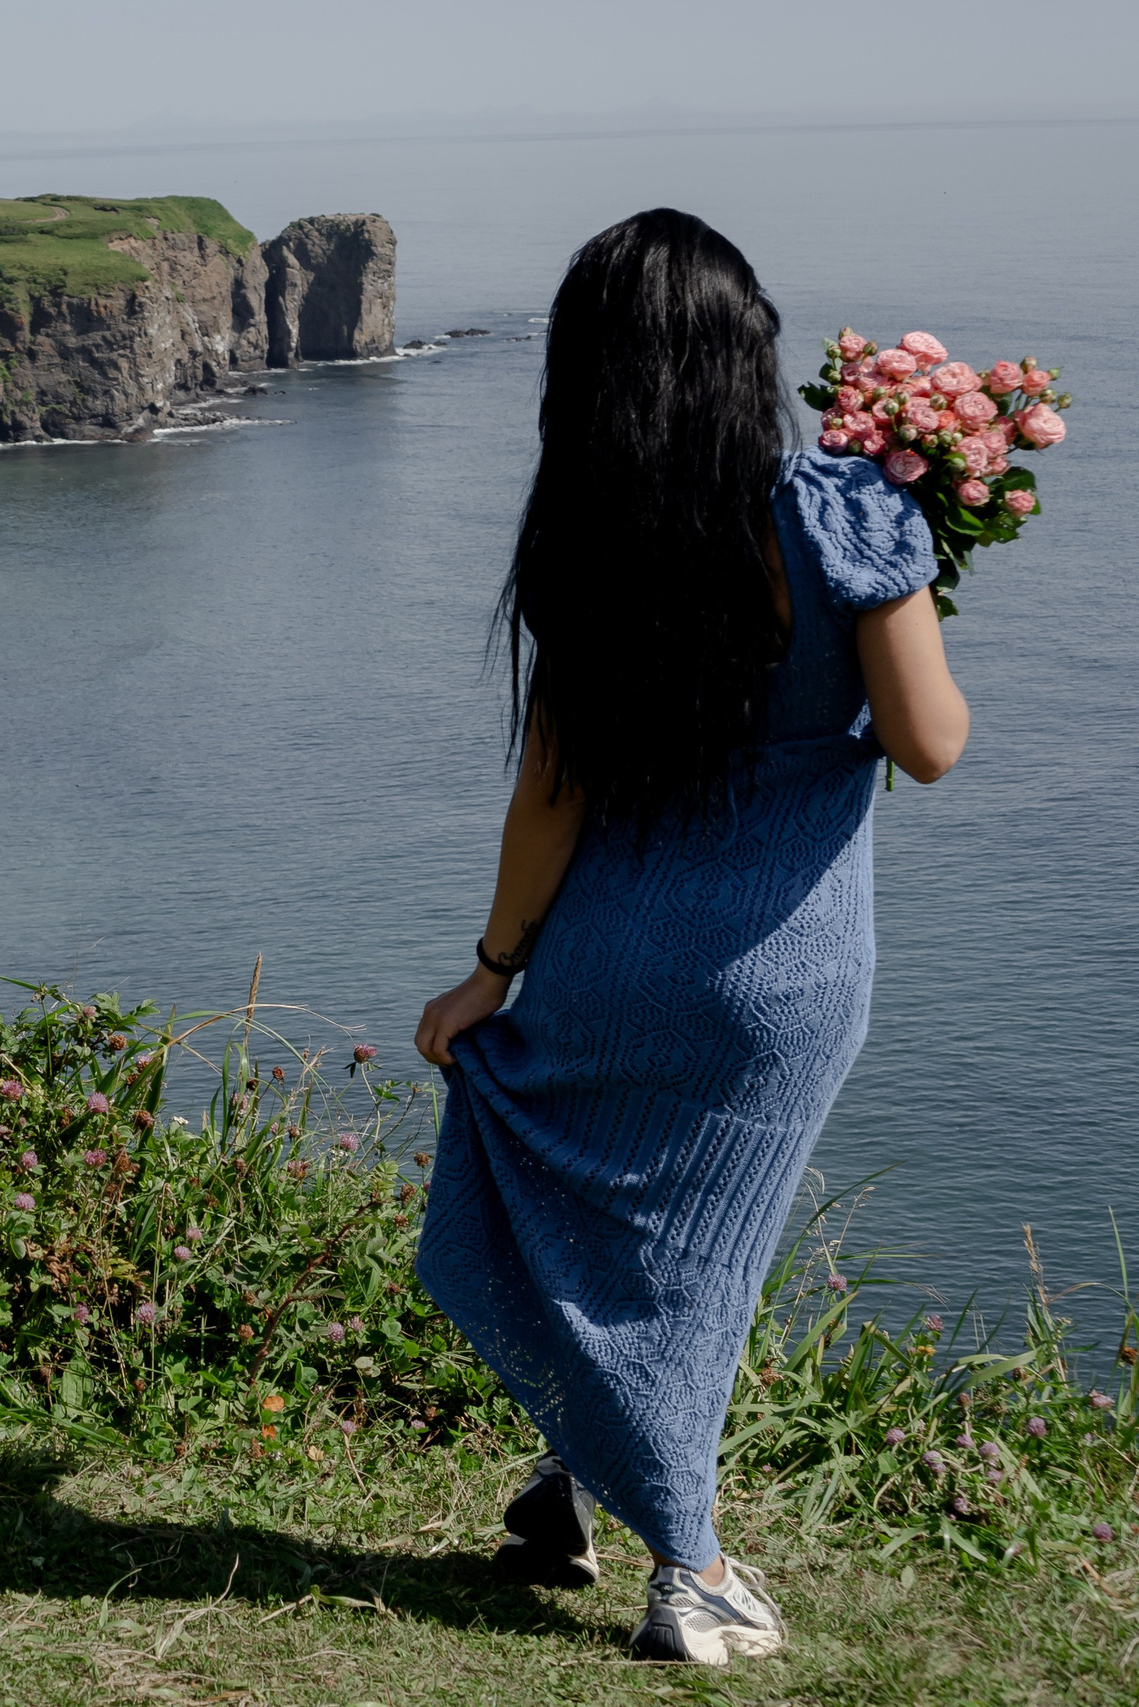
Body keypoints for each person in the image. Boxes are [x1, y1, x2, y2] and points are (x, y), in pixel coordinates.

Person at [411, 209, 970, 1667]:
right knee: (701, 1272)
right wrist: (907, 580)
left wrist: (493, 968)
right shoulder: (848, 510)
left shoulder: (592, 540)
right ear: (752, 351)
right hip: (779, 975)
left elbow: (551, 790)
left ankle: (567, 1482)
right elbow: (931, 745)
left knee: (607, 1229)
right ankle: (696, 1570)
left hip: (605, 954)